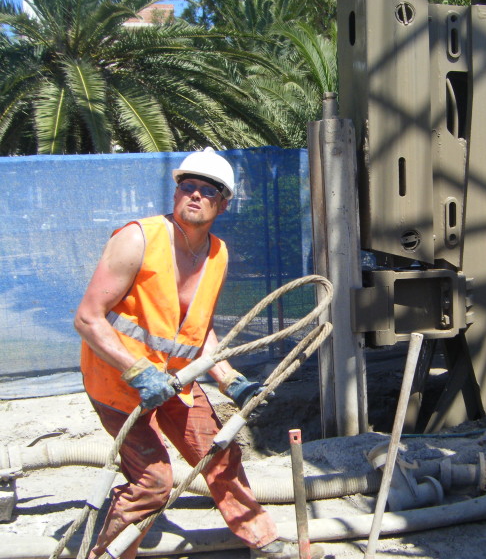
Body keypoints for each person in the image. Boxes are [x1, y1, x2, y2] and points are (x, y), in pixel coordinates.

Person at [74, 148, 324, 559]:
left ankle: (263, 540)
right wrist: (137, 372)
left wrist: (230, 379)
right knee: (153, 482)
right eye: (186, 186)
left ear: (223, 204)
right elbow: (88, 318)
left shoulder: (217, 254)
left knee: (220, 453)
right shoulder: (137, 238)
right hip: (116, 381)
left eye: (207, 190)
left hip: (175, 380)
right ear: (176, 193)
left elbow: (196, 330)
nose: (194, 195)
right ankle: (105, 554)